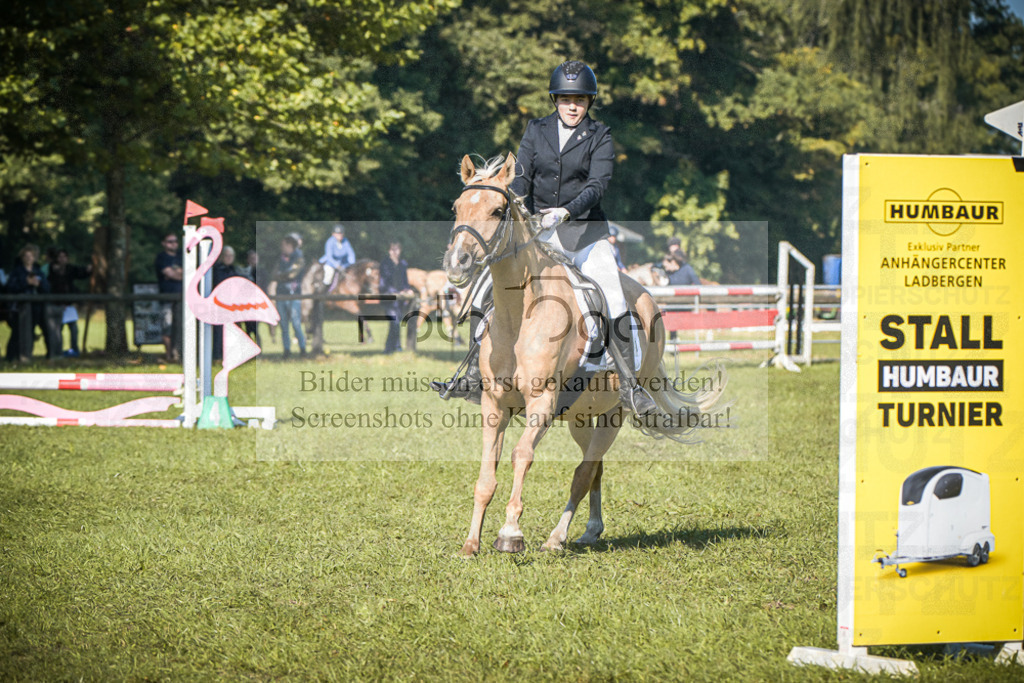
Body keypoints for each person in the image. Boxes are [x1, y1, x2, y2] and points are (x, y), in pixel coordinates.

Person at [434, 60, 657, 415]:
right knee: (484, 289)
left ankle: (631, 386)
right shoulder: (536, 130)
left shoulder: (600, 135)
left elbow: (598, 184)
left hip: (586, 236)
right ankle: (474, 373)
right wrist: (520, 206)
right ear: (555, 99)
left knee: (612, 296)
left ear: (589, 102)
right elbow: (520, 177)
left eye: (580, 100)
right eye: (566, 98)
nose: (573, 106)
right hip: (539, 234)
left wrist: (565, 211)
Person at [6, 244, 53, 362]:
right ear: (22, 257)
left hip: (37, 306)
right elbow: (10, 287)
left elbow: (47, 288)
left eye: (31, 256)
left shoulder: (38, 271)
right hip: (20, 307)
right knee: (17, 332)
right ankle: (11, 357)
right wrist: (26, 283)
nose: (28, 258)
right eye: (26, 256)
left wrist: (39, 285)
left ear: (34, 257)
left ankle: (43, 355)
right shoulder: (17, 272)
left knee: (39, 330)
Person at [47, 248, 92, 357]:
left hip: (69, 305)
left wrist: (88, 270)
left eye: (64, 257)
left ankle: (74, 350)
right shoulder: (51, 270)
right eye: (60, 257)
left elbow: (80, 272)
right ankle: (58, 351)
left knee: (73, 329)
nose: (62, 259)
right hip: (57, 304)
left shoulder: (70, 269)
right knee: (58, 330)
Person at [271, 235, 307, 357]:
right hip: (281, 294)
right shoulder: (280, 259)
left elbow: (292, 275)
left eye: (284, 245)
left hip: (294, 295)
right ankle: (286, 350)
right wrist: (283, 274)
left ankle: (302, 349)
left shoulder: (299, 259)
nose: (282, 247)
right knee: (283, 325)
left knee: (296, 323)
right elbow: (274, 274)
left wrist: (282, 275)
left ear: (290, 246)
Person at [379, 240, 414, 354]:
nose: (395, 252)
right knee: (394, 320)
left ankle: (395, 347)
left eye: (397, 249)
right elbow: (383, 284)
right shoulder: (385, 264)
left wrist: (407, 290)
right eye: (393, 249)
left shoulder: (403, 264)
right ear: (389, 251)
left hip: (400, 298)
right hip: (388, 297)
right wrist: (394, 292)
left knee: (397, 320)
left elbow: (405, 281)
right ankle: (390, 348)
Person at [154, 232, 183, 362]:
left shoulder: (182, 256)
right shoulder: (161, 257)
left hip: (182, 297)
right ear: (164, 243)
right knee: (167, 326)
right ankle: (169, 355)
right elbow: (172, 274)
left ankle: (178, 354)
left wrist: (175, 273)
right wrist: (178, 273)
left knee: (180, 326)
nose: (173, 244)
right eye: (170, 241)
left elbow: (185, 274)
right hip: (166, 297)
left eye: (175, 241)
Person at [211, 245, 239, 360]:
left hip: (232, 305)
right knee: (218, 332)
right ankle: (217, 356)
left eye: (231, 256)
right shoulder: (216, 269)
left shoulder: (234, 269)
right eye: (226, 256)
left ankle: (230, 355)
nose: (229, 258)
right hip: (219, 304)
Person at [238, 249, 269, 347]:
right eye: (251, 258)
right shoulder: (245, 273)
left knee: (255, 327)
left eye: (255, 258)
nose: (253, 260)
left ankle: (258, 350)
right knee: (248, 328)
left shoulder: (262, 272)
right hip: (246, 304)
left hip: (257, 304)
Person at [318, 224, 356, 290]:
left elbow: (351, 254)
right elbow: (329, 256)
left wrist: (353, 264)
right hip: (330, 263)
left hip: (343, 264)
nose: (340, 235)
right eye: (338, 233)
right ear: (333, 234)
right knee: (329, 275)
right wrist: (336, 265)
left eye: (341, 233)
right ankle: (324, 291)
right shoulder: (330, 242)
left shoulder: (345, 241)